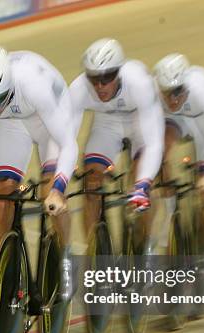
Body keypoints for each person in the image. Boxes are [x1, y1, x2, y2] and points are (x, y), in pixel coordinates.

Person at [0, 46, 79, 305]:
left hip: (49, 117)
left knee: (48, 192)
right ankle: (8, 271)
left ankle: (65, 256)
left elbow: (68, 145)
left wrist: (59, 188)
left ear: (9, 87)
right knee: (2, 197)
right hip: (13, 120)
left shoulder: (33, 85)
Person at [153, 53, 204, 300]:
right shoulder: (155, 94)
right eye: (167, 93)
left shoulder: (202, 91)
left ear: (185, 86)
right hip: (175, 120)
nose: (172, 98)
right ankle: (170, 215)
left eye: (177, 92)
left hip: (202, 121)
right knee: (160, 154)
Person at [69, 38, 164, 247]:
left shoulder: (140, 83)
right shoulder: (78, 89)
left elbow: (154, 143)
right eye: (94, 79)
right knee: (90, 183)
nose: (100, 86)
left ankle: (147, 246)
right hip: (107, 123)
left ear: (119, 73)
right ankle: (94, 254)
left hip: (139, 122)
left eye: (107, 78)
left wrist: (142, 185)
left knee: (141, 183)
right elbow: (65, 139)